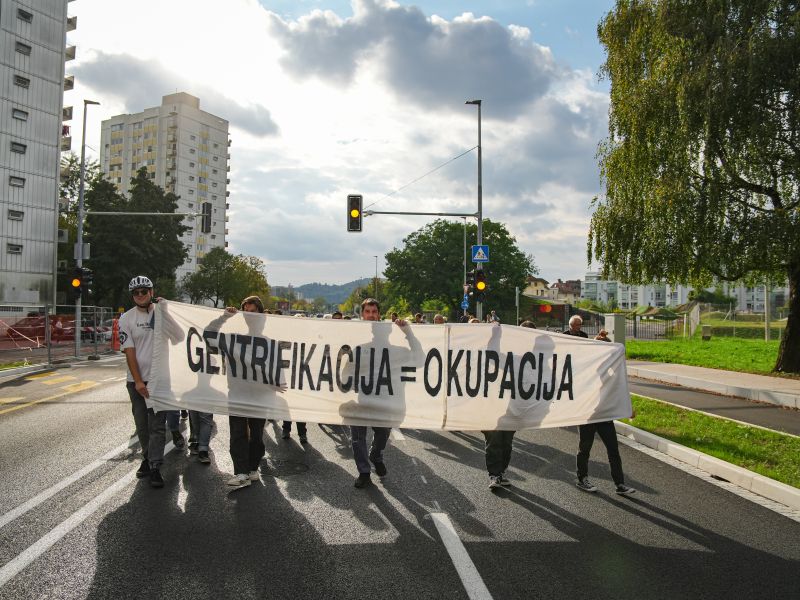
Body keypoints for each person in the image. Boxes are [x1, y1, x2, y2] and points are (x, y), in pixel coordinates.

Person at [561, 318, 635, 495]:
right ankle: (582, 479)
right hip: (588, 413)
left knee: (613, 450)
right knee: (584, 448)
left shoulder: (611, 369)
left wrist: (628, 407)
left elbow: (619, 387)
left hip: (604, 413)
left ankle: (619, 484)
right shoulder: (584, 367)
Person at [119, 276, 169, 488]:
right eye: (136, 293)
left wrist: (167, 311)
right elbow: (129, 352)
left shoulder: (162, 313)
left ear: (151, 292)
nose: (140, 295)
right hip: (137, 382)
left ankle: (155, 466)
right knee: (142, 426)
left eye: (144, 291)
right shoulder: (126, 319)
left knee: (157, 426)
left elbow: (179, 338)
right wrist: (138, 381)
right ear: (132, 296)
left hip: (160, 380)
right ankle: (148, 458)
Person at [351, 298, 406, 488]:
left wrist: (407, 331)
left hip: (383, 398)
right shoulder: (352, 337)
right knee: (357, 438)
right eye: (368, 311)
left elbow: (417, 357)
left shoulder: (386, 333)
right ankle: (364, 472)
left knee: (383, 431)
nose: (371, 315)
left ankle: (376, 454)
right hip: (361, 397)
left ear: (379, 314)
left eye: (374, 311)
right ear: (362, 314)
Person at [226, 296, 269, 489]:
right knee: (237, 433)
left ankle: (252, 468)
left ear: (261, 314)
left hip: (259, 395)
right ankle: (241, 472)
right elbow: (209, 334)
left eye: (253, 312)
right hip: (237, 393)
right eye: (246, 312)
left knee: (257, 436)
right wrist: (224, 318)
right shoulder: (235, 338)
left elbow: (276, 368)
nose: (249, 316)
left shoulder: (268, 342)